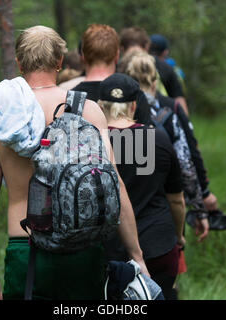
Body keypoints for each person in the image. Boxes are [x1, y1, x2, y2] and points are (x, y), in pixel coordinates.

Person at [0, 25, 149, 300]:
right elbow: (115, 185)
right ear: (59, 62)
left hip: (25, 249)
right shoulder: (89, 111)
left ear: (19, 63)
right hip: (81, 252)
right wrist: (137, 256)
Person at [99, 73, 186, 300]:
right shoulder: (158, 138)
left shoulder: (91, 142)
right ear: (134, 106)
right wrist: (179, 237)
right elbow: (176, 199)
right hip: (158, 246)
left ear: (100, 106)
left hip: (107, 252)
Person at [123, 51, 210, 242]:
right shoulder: (170, 110)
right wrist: (199, 208)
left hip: (124, 211)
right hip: (162, 210)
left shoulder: (117, 113)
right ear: (155, 82)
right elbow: (186, 165)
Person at [73, 24, 152, 126]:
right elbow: (147, 138)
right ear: (117, 55)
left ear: (83, 56)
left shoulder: (73, 98)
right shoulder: (134, 95)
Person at [119, 27, 189, 116]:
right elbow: (182, 108)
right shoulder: (165, 68)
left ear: (121, 48)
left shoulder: (117, 68)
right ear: (147, 46)